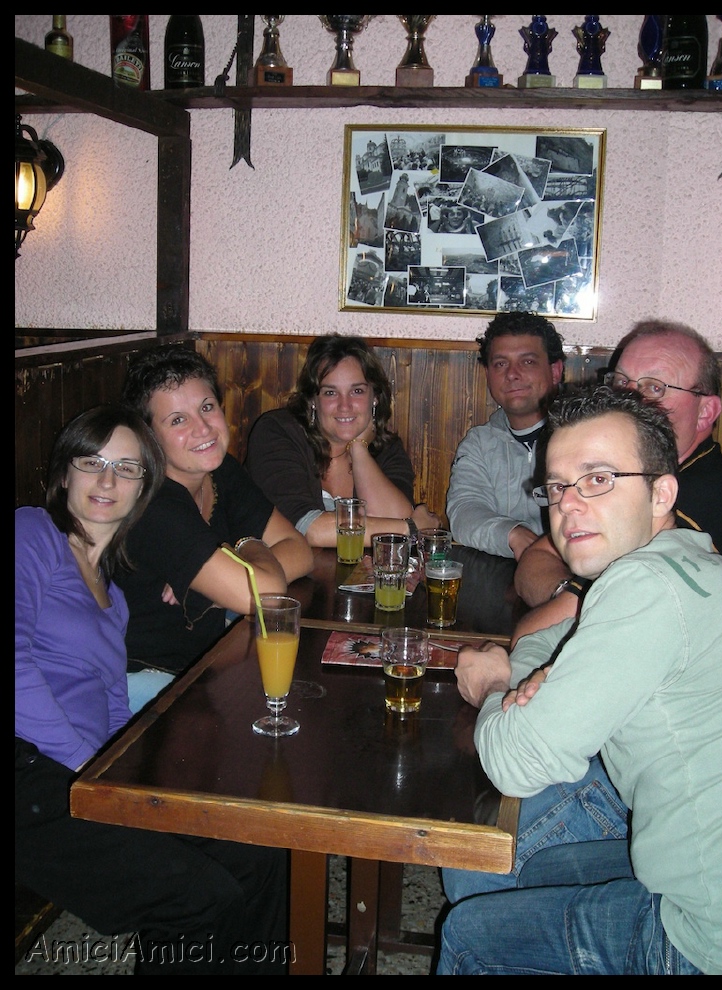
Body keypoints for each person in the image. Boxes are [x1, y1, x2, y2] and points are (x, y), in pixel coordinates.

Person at [438, 385, 722, 975]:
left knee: (471, 933)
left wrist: (495, 685)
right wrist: (533, 671)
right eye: (557, 487)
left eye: (598, 479)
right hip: (702, 874)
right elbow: (555, 637)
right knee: (517, 870)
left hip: (706, 937)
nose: (568, 505)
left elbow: (516, 761)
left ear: (661, 493)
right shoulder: (695, 564)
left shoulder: (645, 586)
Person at [16, 405, 289, 975]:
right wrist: (86, 769)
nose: (107, 481)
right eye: (92, 463)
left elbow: (111, 701)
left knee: (256, 851)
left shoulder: (112, 595)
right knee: (196, 900)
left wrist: (131, 778)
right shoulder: (31, 534)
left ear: (144, 488)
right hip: (31, 775)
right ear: (64, 474)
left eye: (127, 468)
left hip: (80, 773)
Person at [118, 344, 314, 713]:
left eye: (207, 407)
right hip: (144, 683)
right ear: (149, 437)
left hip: (202, 665)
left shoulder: (221, 471)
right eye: (178, 420)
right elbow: (263, 592)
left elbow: (299, 549)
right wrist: (246, 553)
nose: (203, 428)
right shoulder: (153, 504)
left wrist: (231, 559)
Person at [514, 318, 722, 633]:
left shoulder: (698, 499)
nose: (628, 398)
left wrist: (579, 601)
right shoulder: (631, 476)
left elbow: (532, 633)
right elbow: (536, 557)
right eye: (620, 382)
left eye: (654, 387)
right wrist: (576, 593)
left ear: (705, 412)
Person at [245, 333, 441, 548]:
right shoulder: (277, 432)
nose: (344, 406)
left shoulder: (387, 449)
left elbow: (394, 521)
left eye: (357, 391)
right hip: (272, 566)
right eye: (330, 392)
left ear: (375, 397)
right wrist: (410, 528)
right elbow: (309, 530)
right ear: (313, 400)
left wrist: (359, 449)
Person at [445, 311, 565, 559]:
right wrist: (512, 534)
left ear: (555, 371)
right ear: (488, 376)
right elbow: (464, 511)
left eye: (527, 362)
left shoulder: (583, 437)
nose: (512, 374)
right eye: (501, 364)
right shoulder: (479, 443)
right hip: (499, 574)